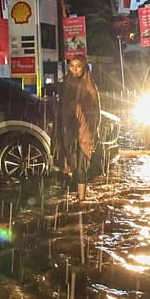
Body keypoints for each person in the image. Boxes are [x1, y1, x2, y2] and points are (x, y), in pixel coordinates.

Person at [59, 55, 101, 201]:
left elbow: (96, 110)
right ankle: (74, 192)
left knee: (82, 164)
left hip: (85, 130)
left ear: (84, 68)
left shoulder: (89, 86)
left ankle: (82, 200)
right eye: (72, 66)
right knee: (72, 162)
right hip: (69, 129)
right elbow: (61, 106)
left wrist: (93, 130)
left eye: (78, 66)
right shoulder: (67, 84)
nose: (75, 69)